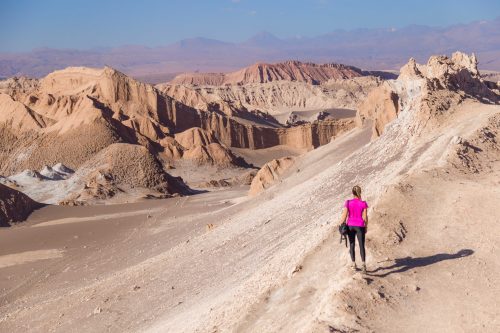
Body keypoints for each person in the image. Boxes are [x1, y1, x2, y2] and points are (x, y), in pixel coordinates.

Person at [338, 185, 369, 273]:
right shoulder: (363, 203)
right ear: (360, 192)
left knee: (352, 244)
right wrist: (365, 226)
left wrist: (341, 225)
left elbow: (344, 215)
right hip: (360, 226)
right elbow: (365, 217)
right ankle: (363, 265)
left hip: (350, 226)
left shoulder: (348, 202)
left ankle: (353, 264)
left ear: (352, 193)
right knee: (361, 245)